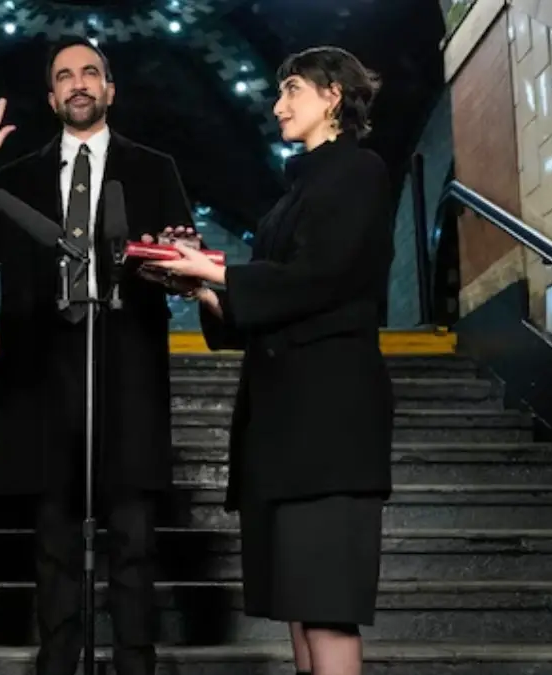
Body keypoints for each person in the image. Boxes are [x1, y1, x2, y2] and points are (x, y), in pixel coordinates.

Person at [0, 37, 194, 675]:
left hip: (129, 370)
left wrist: (173, 259)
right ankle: (58, 663)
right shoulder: (17, 178)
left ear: (110, 90)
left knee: (135, 539)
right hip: (43, 375)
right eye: (64, 76)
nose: (78, 83)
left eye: (90, 72)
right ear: (52, 96)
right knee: (54, 543)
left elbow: (182, 254)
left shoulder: (154, 168)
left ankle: (135, 663)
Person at [148, 46, 393, 675]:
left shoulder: (360, 172)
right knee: (298, 602)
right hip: (281, 430)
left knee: (327, 605)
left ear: (333, 94)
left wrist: (223, 269)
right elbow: (266, 305)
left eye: (291, 90)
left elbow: (324, 275)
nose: (278, 105)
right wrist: (201, 285)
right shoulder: (288, 198)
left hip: (330, 426)